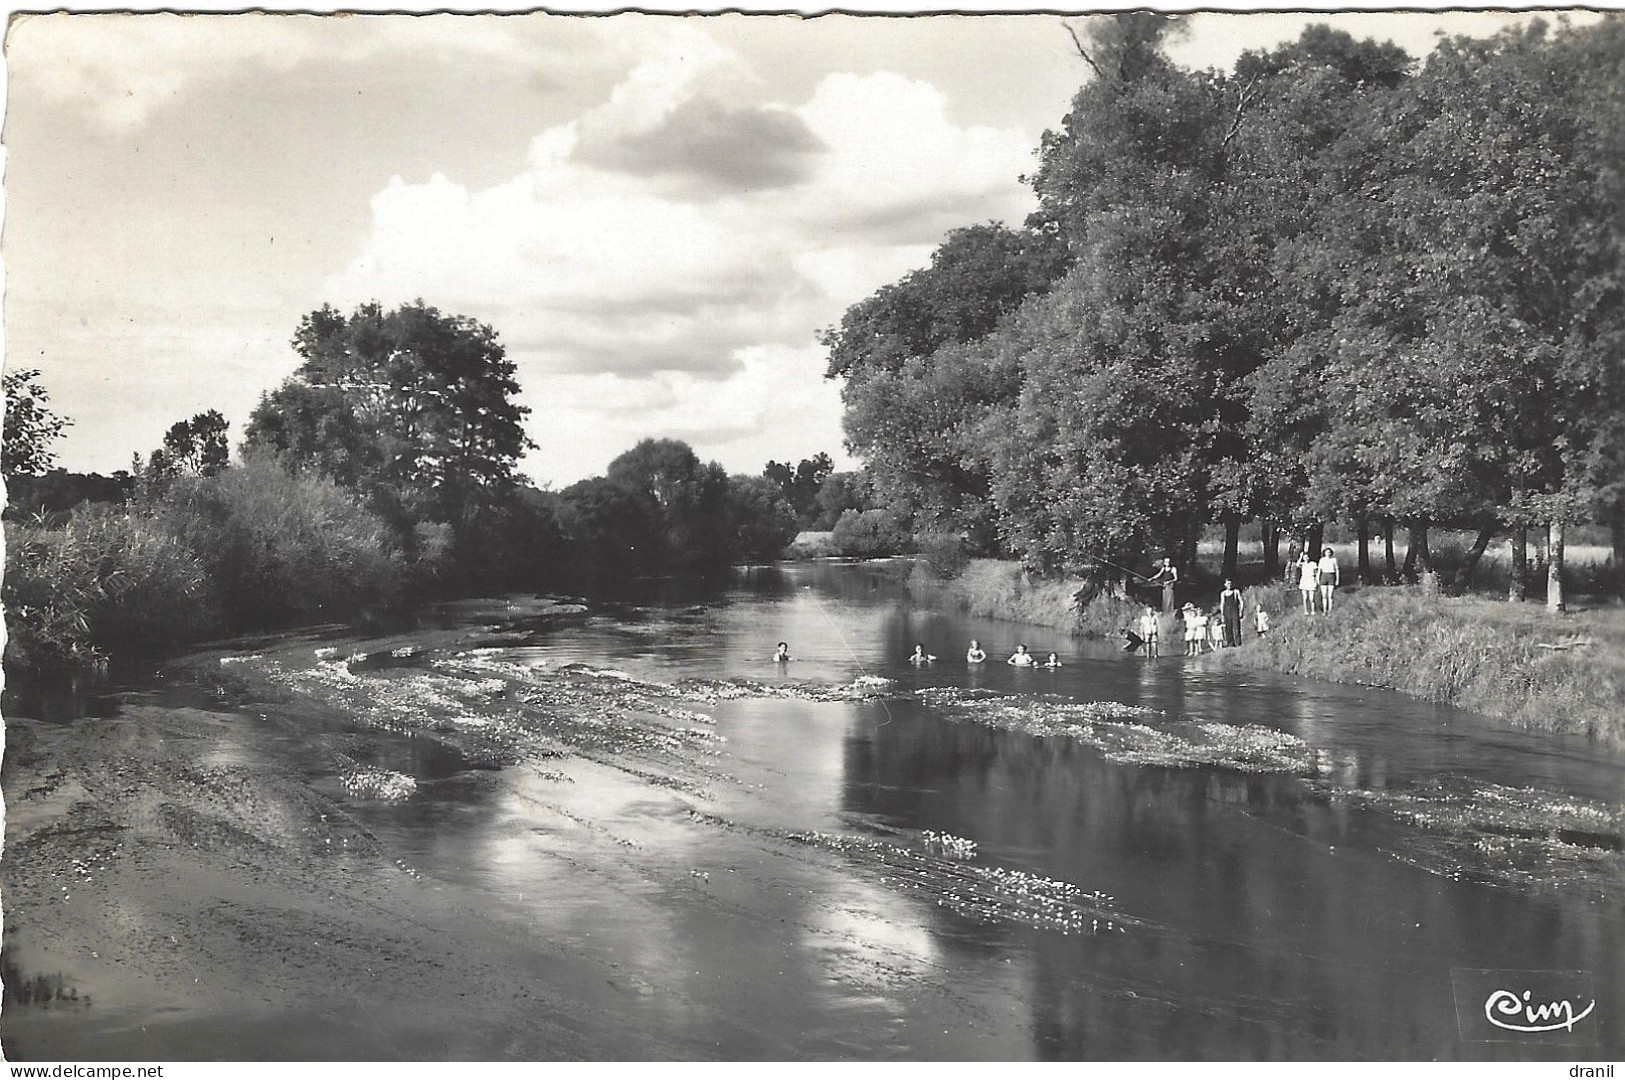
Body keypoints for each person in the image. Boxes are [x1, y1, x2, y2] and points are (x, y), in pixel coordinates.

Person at [1219, 579, 1244, 647]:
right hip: (1227, 612)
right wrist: (1222, 615)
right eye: (1227, 583)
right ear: (1225, 585)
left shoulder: (1236, 591)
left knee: (1236, 627)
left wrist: (1241, 611)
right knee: (1228, 628)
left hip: (1234, 611)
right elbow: (1222, 604)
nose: (1229, 585)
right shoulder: (1223, 593)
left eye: (1230, 583)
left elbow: (1241, 601)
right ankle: (1230, 643)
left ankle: (1238, 642)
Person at [1317, 546, 1341, 614]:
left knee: (1330, 595)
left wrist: (1337, 579)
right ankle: (1324, 610)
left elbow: (1337, 569)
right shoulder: (1322, 560)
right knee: (1324, 595)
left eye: (1329, 552)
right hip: (1324, 576)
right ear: (1324, 553)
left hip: (1331, 576)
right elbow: (1319, 570)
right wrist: (1317, 578)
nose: (1328, 553)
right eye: (1327, 552)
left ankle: (1330, 610)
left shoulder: (1334, 560)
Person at [1296, 550, 1319, 614]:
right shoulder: (1302, 564)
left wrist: (1317, 581)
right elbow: (1297, 565)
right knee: (1305, 597)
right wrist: (1300, 557)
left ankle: (1313, 611)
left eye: (1307, 557)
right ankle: (1305, 611)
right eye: (1305, 557)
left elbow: (1316, 573)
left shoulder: (1313, 563)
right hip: (1304, 579)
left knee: (1312, 598)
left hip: (1311, 579)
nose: (1306, 558)